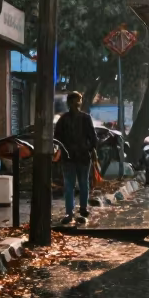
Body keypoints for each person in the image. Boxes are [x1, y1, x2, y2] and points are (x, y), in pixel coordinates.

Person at [54, 91, 99, 224]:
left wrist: (90, 149)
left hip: (83, 157)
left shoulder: (85, 118)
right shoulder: (63, 120)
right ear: (70, 103)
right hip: (69, 158)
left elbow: (93, 138)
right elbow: (57, 138)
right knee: (70, 186)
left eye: (78, 101)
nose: (76, 104)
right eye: (75, 101)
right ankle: (70, 212)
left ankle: (82, 209)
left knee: (82, 184)